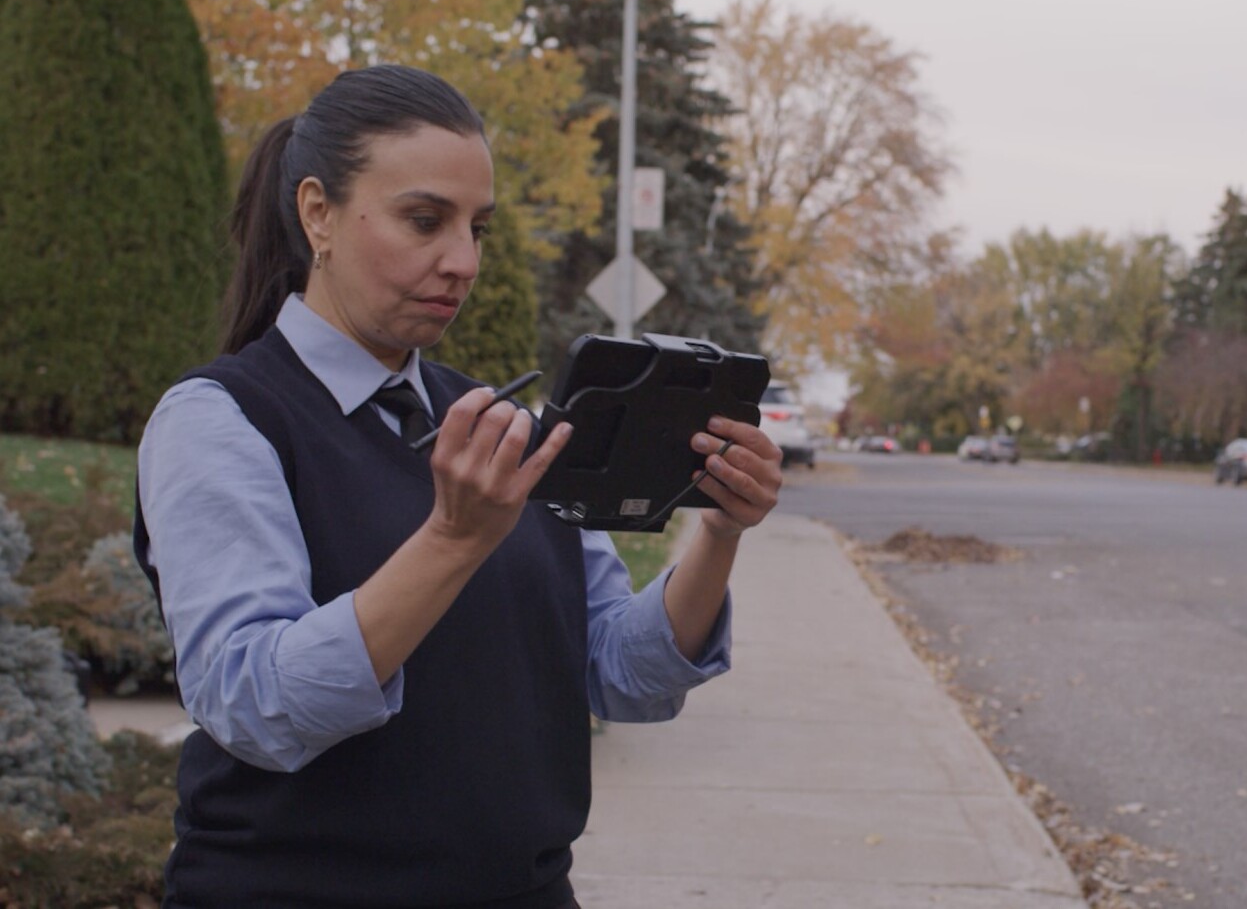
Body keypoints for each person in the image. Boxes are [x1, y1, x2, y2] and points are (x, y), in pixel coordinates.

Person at [133, 65, 782, 908]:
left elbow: (619, 673)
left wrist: (720, 530)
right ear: (317, 212)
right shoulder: (222, 420)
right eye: (424, 220)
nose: (463, 260)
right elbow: (254, 703)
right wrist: (453, 540)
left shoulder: (498, 421)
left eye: (478, 227)